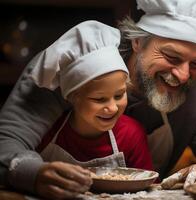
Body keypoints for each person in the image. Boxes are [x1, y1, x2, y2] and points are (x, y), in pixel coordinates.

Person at [0, 0, 196, 194]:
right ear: (138, 42)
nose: (183, 76)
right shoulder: (75, 64)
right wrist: (35, 174)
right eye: (171, 57)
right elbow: (7, 141)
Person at [2, 21, 153, 199]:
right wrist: (35, 173)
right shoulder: (49, 130)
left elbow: (148, 185)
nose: (112, 107)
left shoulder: (132, 133)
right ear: (71, 97)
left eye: (119, 95)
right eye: (99, 98)